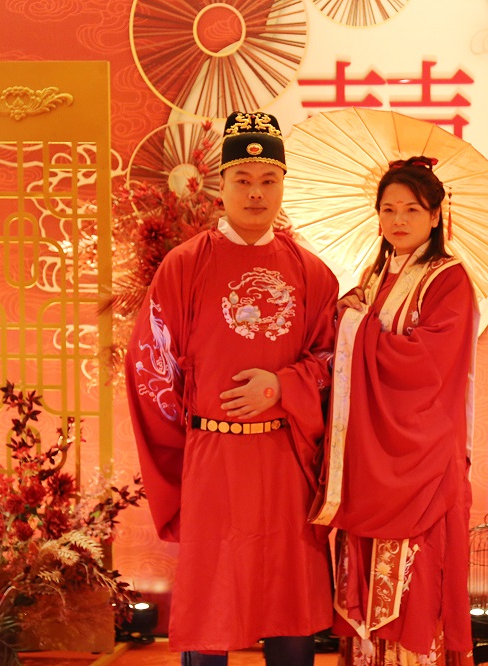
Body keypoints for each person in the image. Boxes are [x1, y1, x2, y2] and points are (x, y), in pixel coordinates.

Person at [125, 110, 338, 666]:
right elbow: (151, 365)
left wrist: (282, 386)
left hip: (284, 459)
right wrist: (184, 448)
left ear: (283, 184)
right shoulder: (184, 266)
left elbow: (332, 360)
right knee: (211, 610)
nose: (255, 192)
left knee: (289, 608)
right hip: (213, 458)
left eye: (268, 179)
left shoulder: (312, 273)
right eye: (242, 179)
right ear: (220, 184)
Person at [310, 156, 477, 665]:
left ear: (436, 215)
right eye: (388, 209)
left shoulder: (449, 280)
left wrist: (356, 328)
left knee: (417, 577)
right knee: (363, 568)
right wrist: (348, 314)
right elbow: (351, 338)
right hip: (372, 451)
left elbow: (427, 363)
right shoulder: (375, 275)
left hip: (420, 453)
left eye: (412, 209)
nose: (398, 220)